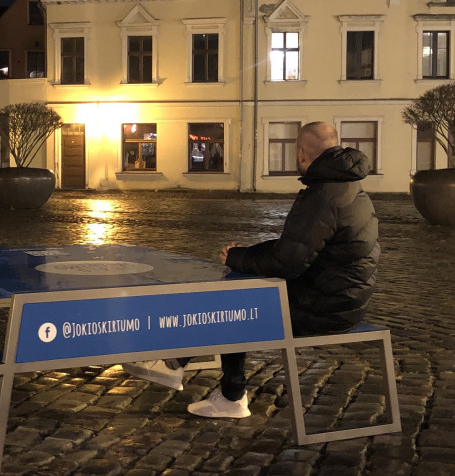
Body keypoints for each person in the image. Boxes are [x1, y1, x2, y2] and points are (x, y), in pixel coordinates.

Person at [123, 121, 380, 419]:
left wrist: (238, 259)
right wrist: (242, 254)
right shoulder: (348, 187)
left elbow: (289, 261)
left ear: (301, 154)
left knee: (237, 304)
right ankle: (181, 368)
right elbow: (297, 246)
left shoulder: (322, 195)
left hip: (327, 308)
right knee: (239, 296)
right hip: (347, 299)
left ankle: (205, 382)